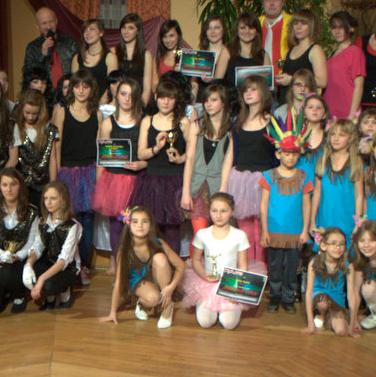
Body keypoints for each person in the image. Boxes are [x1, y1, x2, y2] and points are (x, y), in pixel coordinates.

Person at [93, 77, 148, 272]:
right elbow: (101, 157)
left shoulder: (144, 121)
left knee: (138, 224)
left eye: (131, 95)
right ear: (117, 96)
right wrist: (100, 184)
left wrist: (142, 163)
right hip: (114, 180)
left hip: (138, 179)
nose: (127, 98)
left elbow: (150, 153)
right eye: (123, 94)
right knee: (116, 225)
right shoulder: (108, 123)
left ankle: (137, 265)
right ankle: (118, 264)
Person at [100, 206, 185, 328]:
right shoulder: (124, 249)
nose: (140, 225)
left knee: (160, 257)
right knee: (153, 298)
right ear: (129, 225)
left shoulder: (159, 242)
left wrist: (170, 288)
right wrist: (112, 313)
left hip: (158, 277)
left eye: (144, 221)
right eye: (135, 221)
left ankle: (168, 307)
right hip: (138, 280)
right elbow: (118, 282)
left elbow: (180, 265)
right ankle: (142, 303)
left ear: (150, 225)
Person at [220, 75, 276, 260]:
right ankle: (249, 270)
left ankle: (262, 270)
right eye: (245, 90)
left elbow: (278, 156)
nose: (248, 93)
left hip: (264, 181)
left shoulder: (272, 123)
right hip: (240, 180)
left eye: (253, 89)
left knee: (261, 231)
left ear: (263, 92)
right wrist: (223, 186)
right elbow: (230, 156)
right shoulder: (238, 122)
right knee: (245, 233)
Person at [130, 79, 189, 252]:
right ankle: (155, 265)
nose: (166, 102)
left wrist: (180, 159)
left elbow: (193, 153)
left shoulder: (184, 122)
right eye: (162, 97)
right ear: (156, 97)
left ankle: (172, 267)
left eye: (170, 98)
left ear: (176, 100)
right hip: (151, 181)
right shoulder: (147, 121)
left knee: (172, 231)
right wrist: (156, 148)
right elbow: (141, 154)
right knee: (152, 229)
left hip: (175, 180)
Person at [53, 70, 100, 282]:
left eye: (85, 86)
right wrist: (56, 176)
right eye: (77, 86)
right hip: (67, 171)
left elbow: (99, 148)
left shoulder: (97, 114)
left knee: (88, 221)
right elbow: (56, 147)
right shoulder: (61, 111)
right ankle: (72, 264)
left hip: (90, 171)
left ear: (91, 89)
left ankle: (84, 266)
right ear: (72, 88)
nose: (81, 90)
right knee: (70, 220)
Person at [259, 134, 312, 312]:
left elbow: (306, 204)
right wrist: (264, 231)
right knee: (274, 266)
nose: (290, 157)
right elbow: (264, 205)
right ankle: (274, 297)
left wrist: (305, 230)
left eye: (294, 154)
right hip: (274, 230)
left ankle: (288, 298)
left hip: (295, 232)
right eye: (287, 153)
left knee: (291, 267)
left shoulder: (304, 177)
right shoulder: (269, 176)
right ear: (278, 154)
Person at [182, 193, 250, 329]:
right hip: (207, 283)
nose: (218, 215)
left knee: (229, 324)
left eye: (224, 211)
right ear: (209, 211)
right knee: (205, 322)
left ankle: (228, 309)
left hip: (229, 284)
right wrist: (204, 275)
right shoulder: (203, 234)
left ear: (232, 212)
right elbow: (195, 260)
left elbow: (243, 265)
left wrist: (235, 289)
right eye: (214, 211)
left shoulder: (240, 235)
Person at [0, 168, 40, 315]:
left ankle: (18, 295)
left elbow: (32, 241)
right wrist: (1, 255)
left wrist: (18, 256)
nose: (9, 189)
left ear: (20, 186)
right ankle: (5, 292)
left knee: (8, 274)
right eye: (5, 185)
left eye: (13, 184)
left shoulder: (32, 211)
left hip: (19, 262)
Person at [182, 82, 233, 234]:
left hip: (218, 185)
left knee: (219, 235)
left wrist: (223, 189)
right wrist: (185, 192)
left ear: (223, 102)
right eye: (206, 100)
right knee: (200, 235)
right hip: (197, 186)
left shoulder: (230, 130)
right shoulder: (197, 125)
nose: (208, 104)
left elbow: (228, 162)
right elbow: (190, 159)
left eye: (214, 100)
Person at [24, 181, 81, 310]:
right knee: (27, 273)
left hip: (66, 268)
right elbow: (37, 247)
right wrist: (28, 264)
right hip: (48, 262)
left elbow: (64, 259)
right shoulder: (43, 222)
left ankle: (65, 291)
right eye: (46, 198)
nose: (48, 202)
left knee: (47, 284)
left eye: (53, 198)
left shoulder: (73, 226)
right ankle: (50, 296)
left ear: (63, 200)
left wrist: (41, 279)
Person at [310, 119, 363, 252]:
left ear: (350, 138)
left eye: (341, 135)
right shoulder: (323, 160)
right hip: (326, 217)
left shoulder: (356, 162)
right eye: (333, 134)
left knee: (345, 255)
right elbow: (317, 193)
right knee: (325, 254)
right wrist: (312, 220)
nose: (336, 138)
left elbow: (359, 195)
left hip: (347, 219)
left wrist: (358, 223)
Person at [14, 89, 59, 207]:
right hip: (21, 185)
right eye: (27, 112)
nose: (30, 117)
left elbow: (52, 160)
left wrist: (52, 185)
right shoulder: (16, 127)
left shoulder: (50, 130)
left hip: (42, 185)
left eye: (35, 113)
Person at [301, 227, 350, 336]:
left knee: (341, 331)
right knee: (322, 302)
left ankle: (331, 316)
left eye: (342, 244)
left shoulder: (346, 264)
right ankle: (321, 315)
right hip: (320, 297)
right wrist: (310, 323)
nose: (338, 247)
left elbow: (351, 294)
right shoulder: (314, 262)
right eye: (333, 243)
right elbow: (309, 292)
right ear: (323, 246)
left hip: (337, 299)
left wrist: (353, 322)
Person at [274, 9, 327, 105]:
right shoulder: (290, 50)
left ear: (311, 26)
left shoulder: (315, 50)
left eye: (303, 23)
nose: (298, 27)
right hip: (285, 104)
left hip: (304, 105)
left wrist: (292, 80)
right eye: (296, 23)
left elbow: (322, 81)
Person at [23, 7, 79, 91]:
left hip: (68, 91)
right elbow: (27, 73)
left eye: (51, 21)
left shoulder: (70, 43)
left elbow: (80, 70)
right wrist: (42, 55)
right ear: (37, 26)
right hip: (44, 93)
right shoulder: (33, 47)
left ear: (56, 21)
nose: (48, 26)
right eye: (44, 23)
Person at [325, 11, 365, 119]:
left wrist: (352, 115)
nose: (337, 31)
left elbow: (359, 86)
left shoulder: (355, 52)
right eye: (334, 27)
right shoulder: (332, 53)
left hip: (346, 111)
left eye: (341, 27)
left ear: (351, 28)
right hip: (330, 111)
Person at [69, 18, 117, 101]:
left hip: (102, 104)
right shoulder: (77, 58)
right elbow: (74, 84)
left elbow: (112, 85)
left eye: (92, 29)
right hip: (82, 103)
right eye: (85, 30)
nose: (88, 33)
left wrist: (101, 104)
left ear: (101, 33)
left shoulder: (110, 57)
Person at [223, 12, 271, 88]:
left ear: (256, 31)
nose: (247, 31)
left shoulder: (264, 55)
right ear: (237, 30)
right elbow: (217, 83)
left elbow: (267, 87)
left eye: (251, 28)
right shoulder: (227, 52)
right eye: (243, 28)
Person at [115, 13, 155, 105]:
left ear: (138, 31)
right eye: (124, 27)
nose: (126, 31)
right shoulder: (114, 52)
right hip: (118, 102)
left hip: (137, 102)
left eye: (131, 28)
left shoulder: (146, 55)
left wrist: (141, 107)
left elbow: (147, 88)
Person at [259, 0, 292, 69]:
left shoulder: (293, 23)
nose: (272, 3)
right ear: (262, 3)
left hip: (287, 74)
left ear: (283, 2)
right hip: (258, 76)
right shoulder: (255, 24)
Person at [197, 15, 230, 82]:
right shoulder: (200, 54)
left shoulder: (230, 53)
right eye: (209, 28)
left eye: (216, 28)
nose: (212, 32)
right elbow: (194, 81)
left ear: (223, 30)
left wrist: (211, 81)